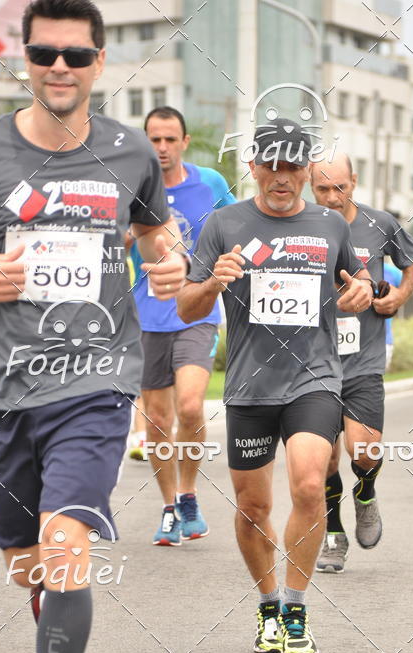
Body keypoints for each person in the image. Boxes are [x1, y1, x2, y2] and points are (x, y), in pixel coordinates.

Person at [0, 0, 186, 653]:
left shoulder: (130, 152)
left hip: (95, 381)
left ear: (100, 62)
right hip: (1, 392)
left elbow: (150, 234)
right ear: (25, 60)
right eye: (45, 53)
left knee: (67, 545)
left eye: (75, 55)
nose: (59, 67)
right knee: (29, 566)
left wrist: (167, 266)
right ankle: (52, 610)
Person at [177, 119, 374, 653]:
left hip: (314, 378)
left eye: (293, 166)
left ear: (307, 169)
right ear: (254, 166)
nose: (282, 177)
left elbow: (353, 281)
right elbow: (186, 307)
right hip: (249, 385)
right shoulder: (223, 223)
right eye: (272, 165)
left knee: (310, 486)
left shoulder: (330, 224)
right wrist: (213, 281)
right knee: (252, 505)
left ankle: (294, 610)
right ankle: (266, 605)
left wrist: (358, 291)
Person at [309, 154, 413, 573]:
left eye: (340, 187)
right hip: (312, 363)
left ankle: (366, 491)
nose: (332, 197)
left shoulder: (380, 224)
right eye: (323, 188)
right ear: (310, 186)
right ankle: (333, 534)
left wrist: (399, 296)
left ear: (354, 182)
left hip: (362, 361)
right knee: (320, 458)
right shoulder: (300, 226)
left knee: (364, 450)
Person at [130, 106, 235, 545]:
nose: (162, 148)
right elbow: (111, 233)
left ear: (185, 142)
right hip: (148, 315)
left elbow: (239, 223)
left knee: (190, 407)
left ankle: (189, 493)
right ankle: (170, 506)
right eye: (154, 139)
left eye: (171, 139)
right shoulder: (131, 183)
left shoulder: (209, 182)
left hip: (198, 309)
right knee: (156, 418)